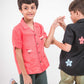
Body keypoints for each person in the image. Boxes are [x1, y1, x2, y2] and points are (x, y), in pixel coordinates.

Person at [10, 0, 59, 84]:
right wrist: (25, 75)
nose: (30, 10)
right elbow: (18, 53)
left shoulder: (39, 27)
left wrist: (53, 27)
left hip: (42, 68)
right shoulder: (17, 30)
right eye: (26, 8)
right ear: (20, 10)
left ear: (36, 9)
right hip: (27, 71)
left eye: (32, 7)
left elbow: (46, 44)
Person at [53, 0, 84, 84]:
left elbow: (67, 48)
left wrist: (54, 41)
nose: (70, 16)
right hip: (82, 68)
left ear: (77, 13)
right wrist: (64, 26)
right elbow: (77, 37)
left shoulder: (71, 27)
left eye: (71, 13)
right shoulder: (70, 28)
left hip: (69, 66)